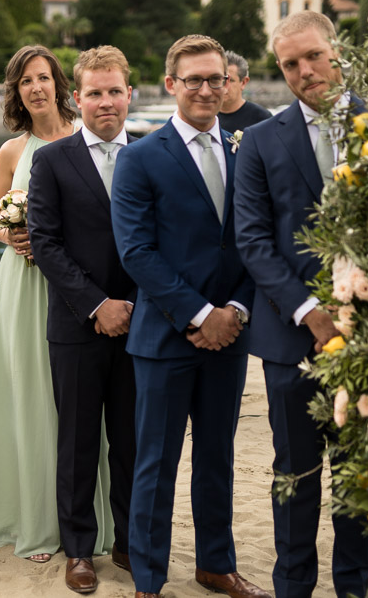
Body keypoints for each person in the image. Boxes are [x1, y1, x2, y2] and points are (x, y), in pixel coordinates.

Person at [112, 35, 268, 598]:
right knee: (155, 464)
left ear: (229, 84)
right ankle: (149, 580)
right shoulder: (139, 157)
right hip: (165, 338)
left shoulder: (246, 150)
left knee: (217, 458)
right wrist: (199, 314)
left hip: (231, 334)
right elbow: (136, 252)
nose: (206, 89)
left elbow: (255, 241)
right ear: (171, 84)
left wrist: (236, 310)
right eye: (194, 79)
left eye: (216, 79)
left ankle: (215, 564)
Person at [233, 11, 368, 598]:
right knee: (294, 471)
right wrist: (310, 313)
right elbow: (252, 239)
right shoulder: (262, 139)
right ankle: (292, 588)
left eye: (313, 56)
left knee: (358, 474)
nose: (304, 71)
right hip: (290, 337)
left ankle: (354, 589)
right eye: (290, 63)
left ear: (335, 50)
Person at [0, 45, 117, 565]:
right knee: (33, 398)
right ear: (16, 93)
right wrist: (10, 234)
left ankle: (91, 521)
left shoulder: (84, 137)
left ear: (59, 84)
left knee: (79, 404)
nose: (35, 88)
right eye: (24, 82)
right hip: (24, 284)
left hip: (78, 282)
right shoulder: (11, 152)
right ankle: (38, 521)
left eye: (42, 78)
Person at [28, 45, 138, 594]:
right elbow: (45, 244)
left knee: (132, 440)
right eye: (94, 92)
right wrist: (98, 305)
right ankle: (78, 550)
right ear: (78, 97)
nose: (105, 101)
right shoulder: (52, 160)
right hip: (76, 325)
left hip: (143, 325)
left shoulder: (149, 156)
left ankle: (128, 541)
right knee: (77, 442)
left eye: (114, 90)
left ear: (130, 94)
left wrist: (135, 307)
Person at [218, 51, 272, 134]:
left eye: (230, 80)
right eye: (218, 80)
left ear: (243, 82)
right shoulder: (204, 117)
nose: (223, 86)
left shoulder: (262, 119)